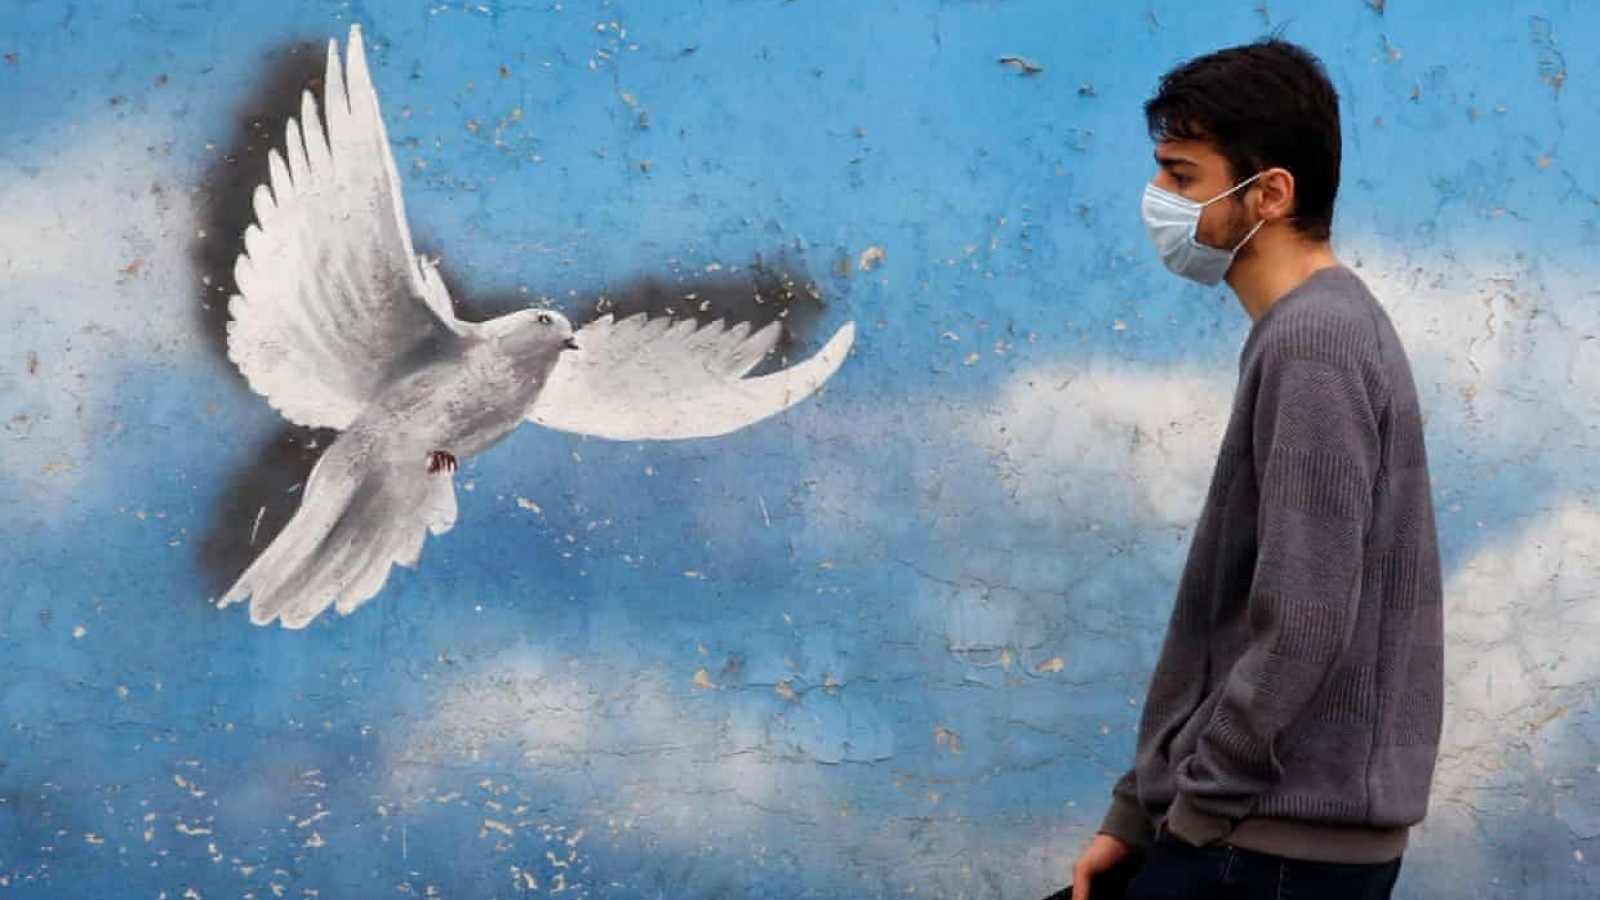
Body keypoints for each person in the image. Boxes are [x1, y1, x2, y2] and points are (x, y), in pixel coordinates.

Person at [1067, 39, 1444, 900]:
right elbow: (1224, 618)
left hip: (1263, 848)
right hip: (1254, 836)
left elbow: (1304, 620)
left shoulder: (1315, 343)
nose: (1158, 201)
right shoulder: (1311, 330)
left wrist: (1195, 812)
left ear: (1269, 194)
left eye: (1182, 177)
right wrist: (1136, 815)